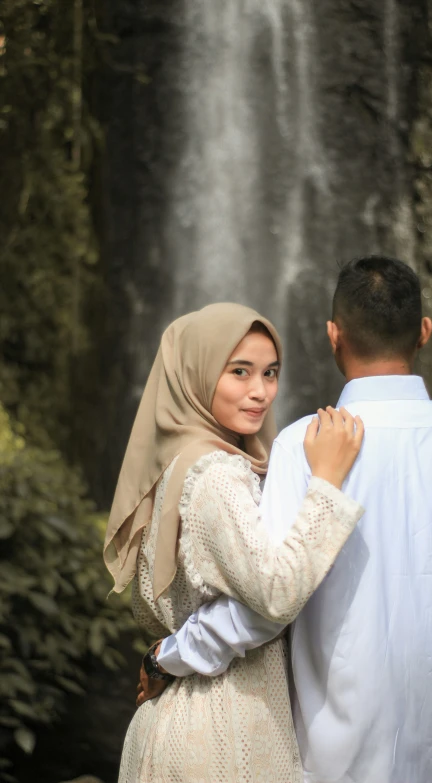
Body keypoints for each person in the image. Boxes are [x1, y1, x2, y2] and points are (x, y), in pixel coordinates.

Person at [150, 258, 432, 783]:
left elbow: (266, 607)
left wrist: (171, 655)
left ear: (332, 335)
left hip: (328, 750)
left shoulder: (302, 445)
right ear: (424, 332)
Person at [104, 302, 365, 783]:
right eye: (239, 372)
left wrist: (164, 657)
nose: (260, 392)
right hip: (224, 732)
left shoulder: (179, 462)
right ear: (197, 374)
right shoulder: (218, 475)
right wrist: (326, 484)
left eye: (270, 373)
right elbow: (275, 595)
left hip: (180, 719)